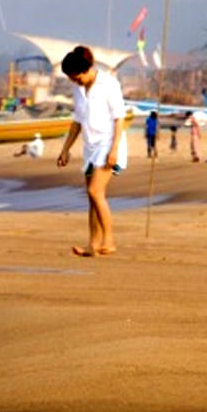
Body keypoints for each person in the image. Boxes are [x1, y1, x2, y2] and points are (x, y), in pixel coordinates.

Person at [56, 46, 127, 258]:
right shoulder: (78, 89)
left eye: (75, 77)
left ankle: (109, 239)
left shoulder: (109, 84)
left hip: (109, 143)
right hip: (90, 145)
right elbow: (77, 121)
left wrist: (114, 149)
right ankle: (93, 244)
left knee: (95, 191)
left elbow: (119, 118)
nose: (73, 81)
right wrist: (65, 149)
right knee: (92, 198)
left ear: (85, 70)